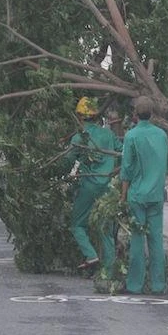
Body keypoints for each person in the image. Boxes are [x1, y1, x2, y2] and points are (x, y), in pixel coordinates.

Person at [60, 97, 121, 276]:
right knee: (105, 227)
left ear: (80, 117)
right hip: (107, 186)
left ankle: (91, 255)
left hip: (89, 186)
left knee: (77, 225)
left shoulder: (79, 138)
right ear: (96, 116)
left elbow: (67, 162)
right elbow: (122, 151)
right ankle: (109, 272)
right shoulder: (108, 134)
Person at [119, 96, 168, 295]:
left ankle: (135, 285)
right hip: (157, 195)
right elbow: (167, 164)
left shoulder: (132, 136)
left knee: (138, 240)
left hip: (138, 196)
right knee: (156, 240)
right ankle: (158, 285)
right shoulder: (162, 135)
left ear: (135, 115)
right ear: (152, 113)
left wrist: (122, 196)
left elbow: (127, 169)